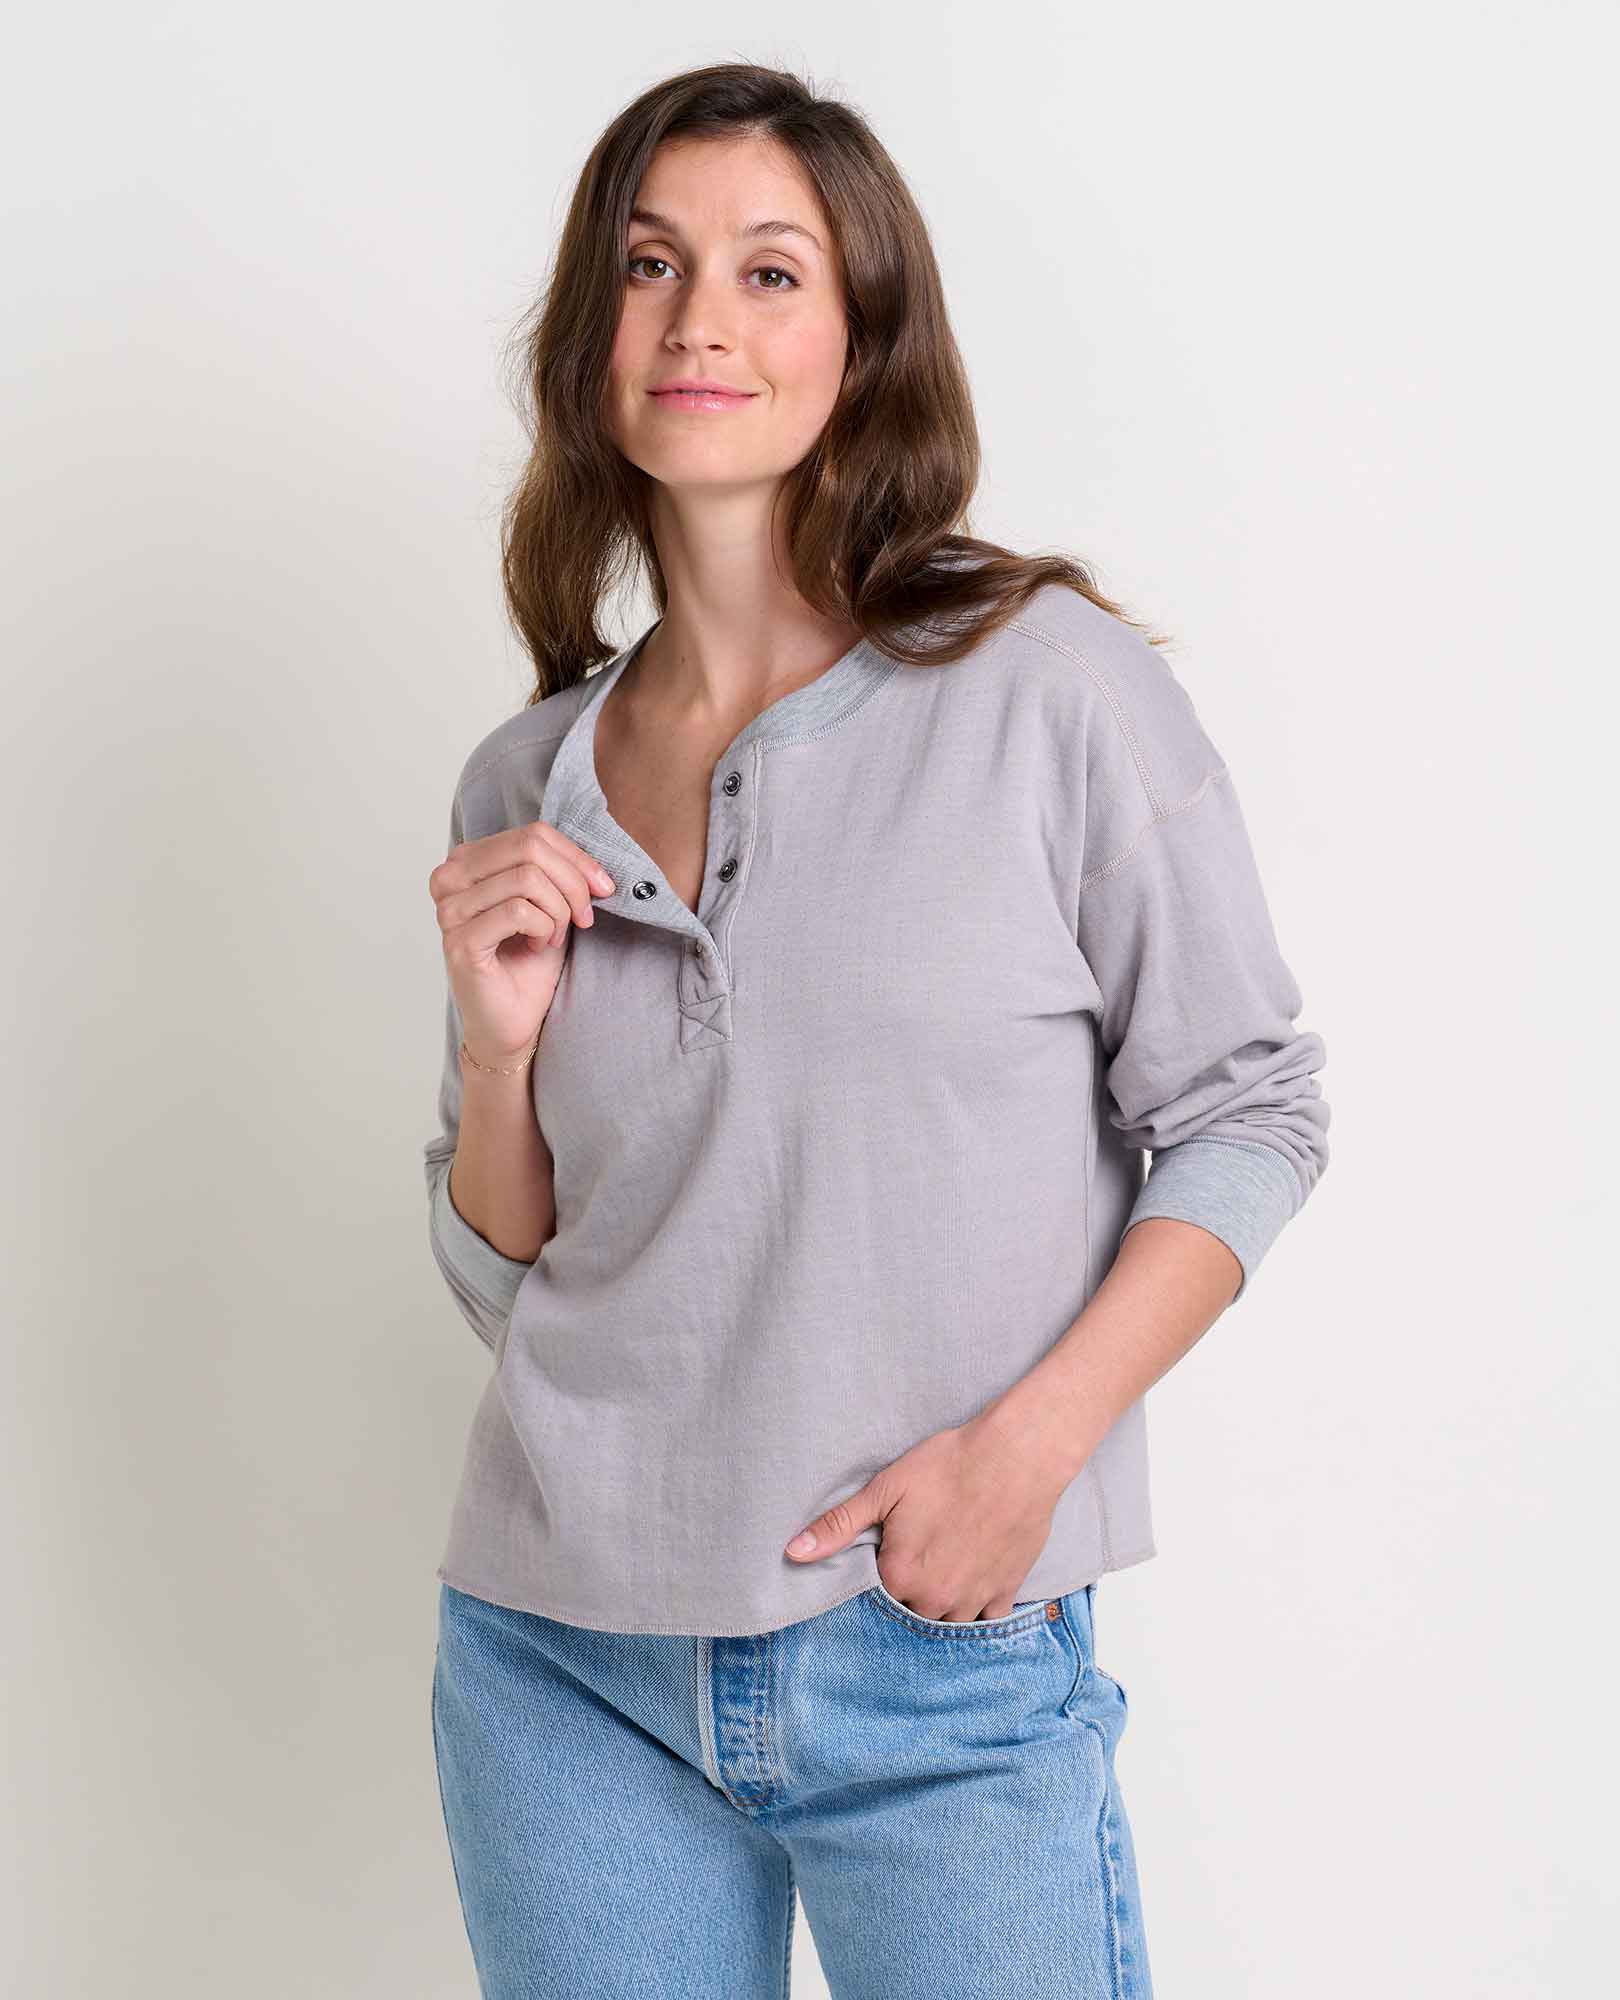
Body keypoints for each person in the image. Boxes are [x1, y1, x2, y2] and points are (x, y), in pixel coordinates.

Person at [422, 61, 1329, 2000]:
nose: (699, 320)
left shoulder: (1047, 691)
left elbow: (1252, 1107)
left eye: (770, 272)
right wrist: (498, 1055)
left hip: (940, 1654)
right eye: (650, 265)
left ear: (866, 337)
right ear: (593, 331)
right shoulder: (524, 777)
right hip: (561, 1667)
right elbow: (509, 1277)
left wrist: (1032, 1450)